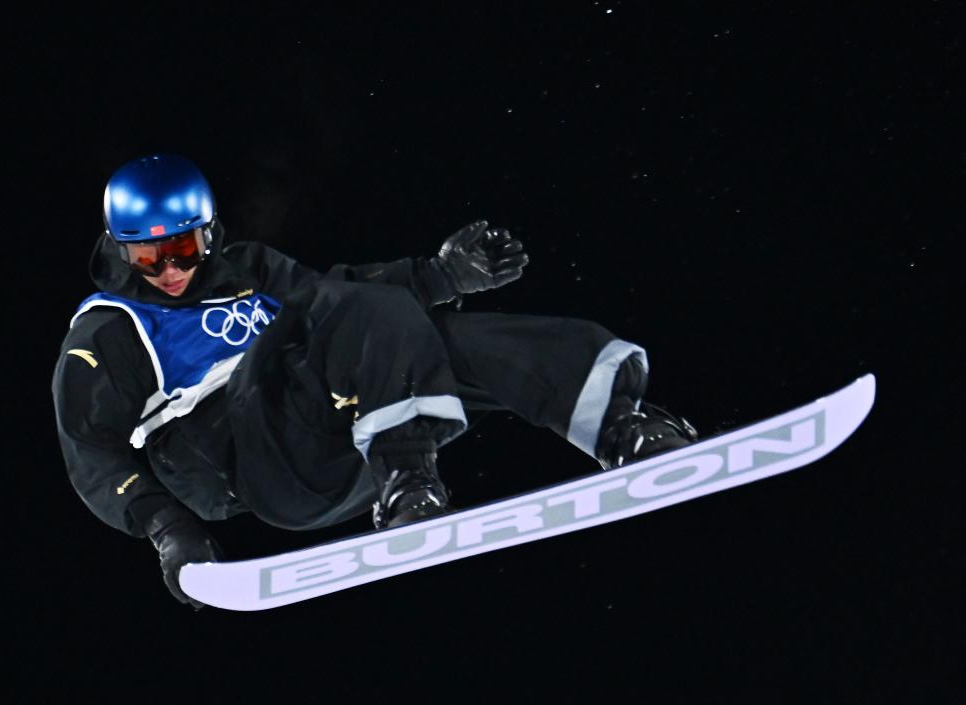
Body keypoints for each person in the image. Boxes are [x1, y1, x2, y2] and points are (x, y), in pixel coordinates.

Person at [52, 153, 697, 609]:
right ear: (120, 249)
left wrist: (443, 278)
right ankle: (405, 478)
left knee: (435, 337)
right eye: (147, 257)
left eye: (183, 251)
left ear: (209, 234)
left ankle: (617, 427)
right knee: (358, 313)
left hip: (339, 438)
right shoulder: (110, 329)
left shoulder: (250, 268)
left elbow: (339, 300)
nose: (168, 271)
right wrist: (168, 529)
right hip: (252, 458)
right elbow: (89, 449)